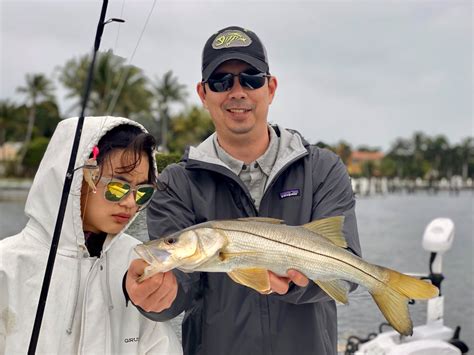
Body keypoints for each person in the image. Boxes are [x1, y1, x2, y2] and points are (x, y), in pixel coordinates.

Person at [126, 26, 362, 355]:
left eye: (251, 78)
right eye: (221, 81)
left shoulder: (322, 168)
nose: (238, 91)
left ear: (271, 87)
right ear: (203, 94)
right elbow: (182, 285)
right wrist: (159, 294)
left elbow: (346, 267)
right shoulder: (177, 182)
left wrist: (295, 281)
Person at [0, 116, 182, 354]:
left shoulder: (138, 263)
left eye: (142, 193)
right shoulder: (7, 265)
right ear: (78, 178)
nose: (130, 203)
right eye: (118, 187)